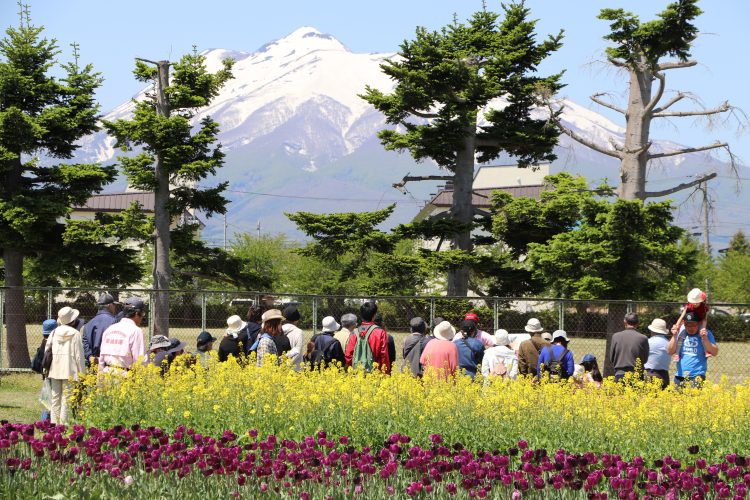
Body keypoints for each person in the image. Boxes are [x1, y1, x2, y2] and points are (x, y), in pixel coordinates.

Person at [44, 307, 85, 424]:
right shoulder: (76, 334)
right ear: (72, 320)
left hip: (54, 369)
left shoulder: (54, 332)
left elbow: (47, 350)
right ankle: (63, 425)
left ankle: (53, 424)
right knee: (66, 399)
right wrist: (82, 374)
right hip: (70, 370)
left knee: (55, 398)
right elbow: (79, 356)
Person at [667, 311, 718, 387]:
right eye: (688, 325)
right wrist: (674, 336)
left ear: (698, 324)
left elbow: (714, 352)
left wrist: (705, 338)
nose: (690, 328)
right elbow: (670, 351)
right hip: (680, 375)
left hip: (697, 376)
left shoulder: (706, 333)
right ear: (684, 324)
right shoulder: (680, 333)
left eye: (693, 325)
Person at [98, 297, 147, 373]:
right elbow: (140, 360)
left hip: (106, 374)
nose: (142, 318)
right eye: (142, 314)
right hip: (125, 376)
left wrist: (100, 377)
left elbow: (101, 359)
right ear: (137, 313)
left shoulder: (110, 329)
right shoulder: (136, 331)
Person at [344, 302, 391, 373]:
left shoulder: (354, 332)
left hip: (357, 373)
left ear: (361, 315)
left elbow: (348, 355)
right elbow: (384, 355)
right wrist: (385, 372)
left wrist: (354, 368)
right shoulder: (380, 332)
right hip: (375, 373)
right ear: (374, 316)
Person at [609, 312, 649, 382]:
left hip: (620, 374)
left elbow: (611, 358)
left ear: (625, 322)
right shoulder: (643, 338)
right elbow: (645, 359)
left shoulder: (615, 336)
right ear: (638, 323)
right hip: (637, 375)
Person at [83, 292, 119, 368]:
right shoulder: (114, 321)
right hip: (108, 365)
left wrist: (90, 357)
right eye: (114, 305)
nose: (115, 307)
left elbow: (85, 342)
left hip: (92, 363)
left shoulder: (89, 323)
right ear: (109, 305)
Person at [32, 319, 58, 421]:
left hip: (45, 375)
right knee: (52, 398)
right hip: (52, 373)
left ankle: (44, 420)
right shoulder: (52, 344)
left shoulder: (43, 342)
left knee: (47, 397)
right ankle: (46, 421)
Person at [644, 318, 671, 389]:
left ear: (652, 330)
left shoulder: (648, 342)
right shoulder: (669, 343)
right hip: (664, 376)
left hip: (650, 374)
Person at [282, 305, 304, 370]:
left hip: (280, 368)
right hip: (295, 369)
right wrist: (288, 365)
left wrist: (282, 365)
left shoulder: (279, 330)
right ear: (296, 320)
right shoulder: (298, 332)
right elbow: (298, 351)